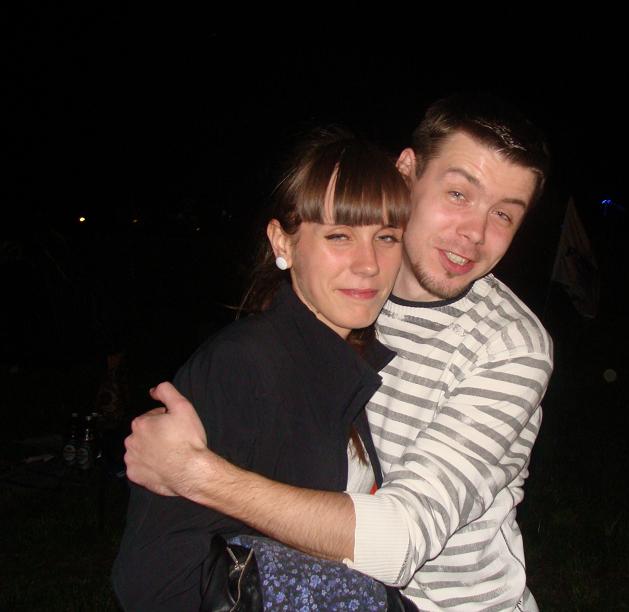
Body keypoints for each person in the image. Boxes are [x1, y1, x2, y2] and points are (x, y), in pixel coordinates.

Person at [125, 93, 554, 611]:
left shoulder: (508, 345)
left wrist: (196, 473)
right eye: (459, 193)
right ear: (406, 172)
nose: (474, 233)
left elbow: (400, 539)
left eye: (503, 214)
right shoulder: (338, 306)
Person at [111, 127, 412, 611]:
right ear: (283, 243)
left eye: (387, 237)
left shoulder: (352, 359)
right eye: (339, 235)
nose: (369, 264)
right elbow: (151, 582)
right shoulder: (243, 368)